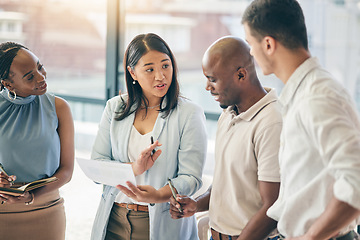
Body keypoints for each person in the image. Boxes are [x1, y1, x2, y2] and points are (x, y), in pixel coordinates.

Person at [242, 0, 360, 239]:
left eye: (250, 44)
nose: (251, 53)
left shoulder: (317, 97)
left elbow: (356, 181)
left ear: (268, 44)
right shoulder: (300, 94)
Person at [90, 33, 207, 240]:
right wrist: (134, 168)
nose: (160, 76)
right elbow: (97, 168)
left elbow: (191, 177)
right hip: (114, 218)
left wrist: (158, 195)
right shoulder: (115, 107)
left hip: (159, 222)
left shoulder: (189, 113)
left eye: (165, 65)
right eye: (150, 69)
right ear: (132, 73)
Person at [170, 36, 282, 240]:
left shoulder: (272, 121)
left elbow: (272, 207)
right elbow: (227, 185)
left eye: (213, 79)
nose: (207, 87)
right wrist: (196, 204)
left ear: (241, 75)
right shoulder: (228, 114)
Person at [0, 42, 74, 239]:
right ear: (8, 83)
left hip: (47, 211)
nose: (41, 77)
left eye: (39, 66)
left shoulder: (59, 108)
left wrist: (32, 196)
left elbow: (66, 171)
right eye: (30, 76)